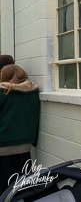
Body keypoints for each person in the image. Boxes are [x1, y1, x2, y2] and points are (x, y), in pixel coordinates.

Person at [0, 64, 40, 194]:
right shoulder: (33, 92)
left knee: (3, 189)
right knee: (21, 186)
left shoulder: (2, 92)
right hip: (25, 145)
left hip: (2, 144)